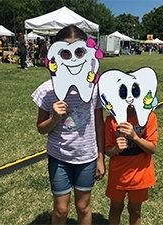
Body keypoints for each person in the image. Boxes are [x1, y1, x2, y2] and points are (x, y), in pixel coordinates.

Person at [31, 25, 105, 225]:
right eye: (65, 52)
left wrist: (100, 158)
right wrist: (54, 117)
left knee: (83, 207)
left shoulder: (94, 88)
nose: (72, 58)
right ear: (56, 54)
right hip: (59, 157)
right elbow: (41, 128)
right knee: (61, 209)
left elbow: (99, 123)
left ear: (87, 53)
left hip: (87, 157)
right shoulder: (47, 90)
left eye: (79, 51)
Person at [104, 105, 158, 225]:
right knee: (115, 208)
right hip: (118, 175)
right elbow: (108, 150)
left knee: (135, 210)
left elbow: (152, 148)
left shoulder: (149, 117)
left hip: (140, 175)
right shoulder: (111, 120)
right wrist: (116, 149)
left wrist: (135, 137)